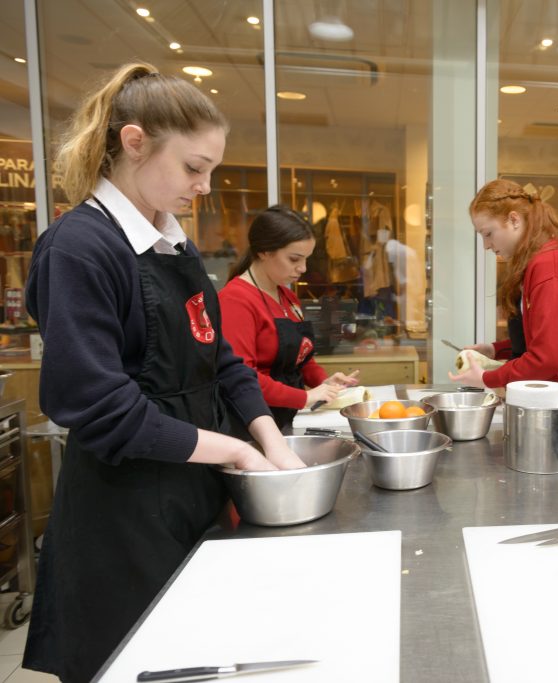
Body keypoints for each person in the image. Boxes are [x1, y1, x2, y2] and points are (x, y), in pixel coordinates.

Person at [23, 62, 305, 682]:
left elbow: (223, 360)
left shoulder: (173, 246)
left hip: (191, 494)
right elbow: (100, 408)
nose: (204, 187)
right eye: (193, 168)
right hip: (124, 514)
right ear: (133, 143)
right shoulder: (78, 249)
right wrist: (234, 448)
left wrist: (272, 442)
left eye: (210, 170)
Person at [449, 179, 558, 488]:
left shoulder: (548, 267)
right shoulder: (541, 260)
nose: (487, 245)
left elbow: (546, 358)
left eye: (488, 234)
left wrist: (485, 379)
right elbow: (547, 335)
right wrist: (494, 349)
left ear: (514, 219)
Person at [219, 205, 359, 428]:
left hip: (287, 415)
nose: (303, 268)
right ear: (265, 251)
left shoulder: (288, 296)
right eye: (294, 259)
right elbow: (242, 378)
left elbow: (301, 360)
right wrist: (305, 397)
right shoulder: (235, 300)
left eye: (306, 259)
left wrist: (324, 383)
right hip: (252, 422)